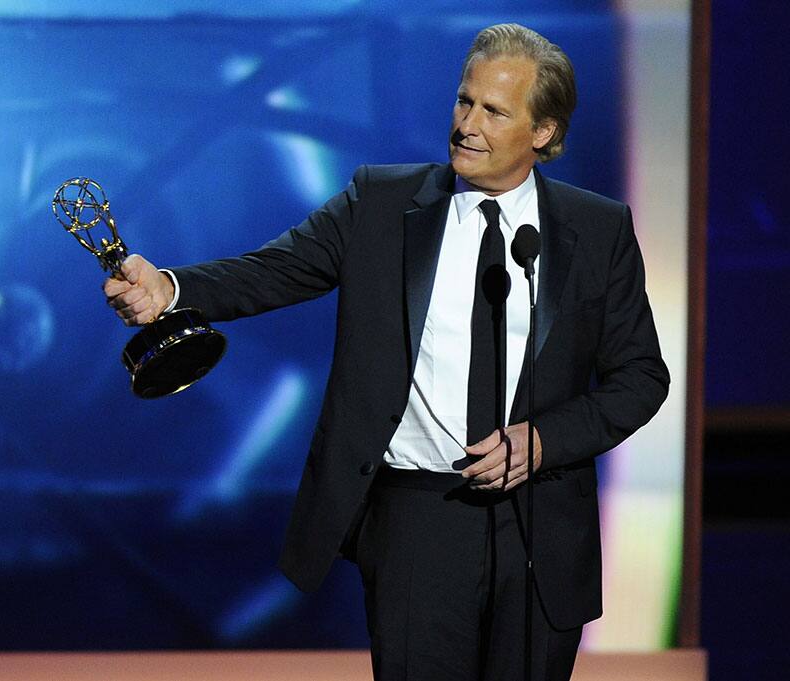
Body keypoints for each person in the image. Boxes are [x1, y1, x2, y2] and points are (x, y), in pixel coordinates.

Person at [104, 23, 668, 681]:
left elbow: (640, 376)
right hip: (418, 522)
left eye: (494, 111)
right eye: (464, 101)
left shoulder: (596, 230)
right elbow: (273, 270)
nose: (467, 124)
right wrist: (171, 287)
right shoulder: (381, 204)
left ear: (543, 132)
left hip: (540, 523)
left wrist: (543, 441)